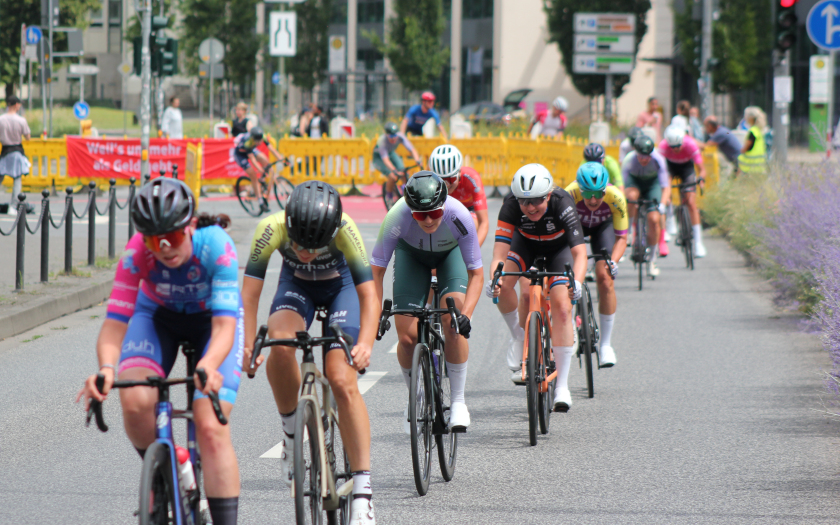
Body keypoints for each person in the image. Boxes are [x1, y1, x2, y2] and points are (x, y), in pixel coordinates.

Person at [77, 178, 243, 525]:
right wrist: (107, 369)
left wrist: (209, 364)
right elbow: (115, 323)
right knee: (135, 401)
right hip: (158, 318)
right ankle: (167, 469)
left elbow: (225, 326)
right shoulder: (136, 253)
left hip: (211, 322)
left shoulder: (218, 246)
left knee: (210, 425)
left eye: (174, 237)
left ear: (191, 225)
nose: (165, 247)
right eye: (155, 240)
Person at [241, 181, 377, 524]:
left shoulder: (346, 230)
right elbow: (249, 297)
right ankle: (291, 433)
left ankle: (362, 490)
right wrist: (246, 345)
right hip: (296, 287)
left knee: (341, 378)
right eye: (299, 244)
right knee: (281, 343)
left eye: (314, 246)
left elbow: (369, 296)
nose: (304, 252)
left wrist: (366, 344)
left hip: (340, 290)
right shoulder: (269, 228)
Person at [371, 172, 483, 432]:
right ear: (410, 210)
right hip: (412, 257)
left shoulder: (459, 216)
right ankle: (416, 397)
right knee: (407, 338)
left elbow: (476, 273)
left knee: (451, 322)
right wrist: (376, 313)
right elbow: (376, 272)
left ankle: (458, 402)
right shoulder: (395, 217)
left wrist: (465, 314)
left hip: (450, 256)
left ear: (445, 205)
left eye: (435, 213)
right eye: (420, 215)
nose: (429, 220)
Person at [487, 164, 587, 411]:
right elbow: (499, 253)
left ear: (548, 196)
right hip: (525, 246)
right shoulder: (510, 204)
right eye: (524, 202)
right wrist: (495, 279)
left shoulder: (562, 202)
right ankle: (519, 336)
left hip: (559, 250)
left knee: (563, 307)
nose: (530, 207)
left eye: (536, 201)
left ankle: (562, 386)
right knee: (506, 283)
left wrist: (578, 282)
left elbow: (579, 252)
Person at [565, 163, 628, 367]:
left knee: (605, 277)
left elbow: (621, 238)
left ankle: (606, 345)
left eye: (598, 194)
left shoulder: (616, 197)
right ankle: (569, 326)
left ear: (605, 190)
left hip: (603, 229)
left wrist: (613, 261)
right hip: (575, 229)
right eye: (588, 194)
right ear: (579, 189)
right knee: (566, 277)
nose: (593, 200)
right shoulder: (568, 195)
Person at [621, 135, 670, 277]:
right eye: (641, 156)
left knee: (654, 219)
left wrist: (662, 205)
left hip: (652, 185)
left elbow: (665, 187)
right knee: (631, 197)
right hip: (634, 183)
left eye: (647, 157)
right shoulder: (629, 159)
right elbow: (623, 184)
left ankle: (652, 259)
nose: (644, 159)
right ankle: (629, 231)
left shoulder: (658, 160)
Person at [658, 125, 707, 258]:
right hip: (670, 167)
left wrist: (701, 179)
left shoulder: (690, 144)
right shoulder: (663, 146)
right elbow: (660, 170)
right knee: (666, 191)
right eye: (672, 147)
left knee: (691, 203)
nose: (675, 149)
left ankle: (698, 242)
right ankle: (670, 219)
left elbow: (701, 169)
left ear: (682, 142)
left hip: (687, 167)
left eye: (677, 146)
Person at [428, 144, 490, 245]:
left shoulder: (471, 178)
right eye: (441, 180)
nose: (446, 185)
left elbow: (484, 222)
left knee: (468, 224)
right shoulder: (429, 181)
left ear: (459, 172)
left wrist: (473, 253)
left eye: (450, 179)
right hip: (446, 208)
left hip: (468, 209)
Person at [233, 126, 285, 212]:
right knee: (253, 174)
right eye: (257, 141)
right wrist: (261, 170)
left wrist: (281, 159)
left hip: (252, 150)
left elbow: (271, 148)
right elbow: (253, 160)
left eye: (260, 140)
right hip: (240, 155)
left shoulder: (262, 136)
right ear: (253, 138)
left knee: (266, 161)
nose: (260, 143)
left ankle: (263, 183)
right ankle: (260, 202)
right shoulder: (248, 141)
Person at [0, 95, 33, 215]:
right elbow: (28, 136)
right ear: (16, 105)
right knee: (17, 179)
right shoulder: (21, 120)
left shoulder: (1, 119)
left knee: (0, 178)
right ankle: (13, 206)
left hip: (5, 151)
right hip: (16, 151)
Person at [373, 122, 423, 201]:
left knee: (403, 171)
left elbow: (412, 149)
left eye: (395, 136)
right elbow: (385, 160)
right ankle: (388, 196)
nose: (393, 139)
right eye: (391, 136)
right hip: (379, 158)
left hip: (391, 153)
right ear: (386, 135)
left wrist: (417, 160)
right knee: (392, 176)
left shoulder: (400, 136)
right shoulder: (382, 141)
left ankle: (405, 190)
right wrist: (394, 170)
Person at [737, 107, 767, 174]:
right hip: (759, 168)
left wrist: (741, 151)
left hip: (750, 168)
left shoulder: (753, 131)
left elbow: (745, 148)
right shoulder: (759, 130)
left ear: (750, 118)